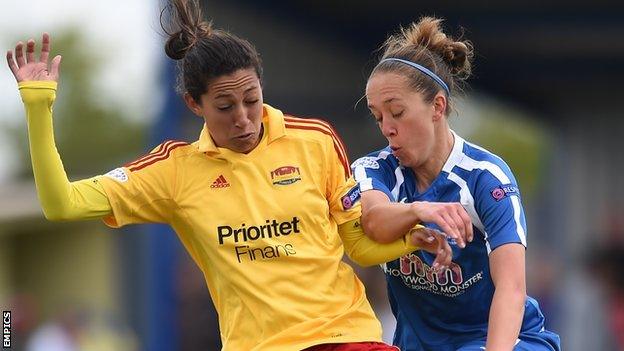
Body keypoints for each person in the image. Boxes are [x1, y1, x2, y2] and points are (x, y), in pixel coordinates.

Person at [5, 1, 465, 349]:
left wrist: (410, 235)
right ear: (194, 105)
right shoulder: (174, 171)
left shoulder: (315, 141)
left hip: (345, 336)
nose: (245, 118)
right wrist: (39, 107)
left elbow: (357, 247)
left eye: (252, 98)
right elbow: (59, 203)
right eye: (225, 107)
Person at [353, 17, 562, 351]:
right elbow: (373, 222)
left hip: (505, 341)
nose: (387, 128)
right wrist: (418, 209)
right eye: (379, 116)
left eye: (397, 112)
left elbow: (511, 288)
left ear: (437, 106)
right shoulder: (374, 169)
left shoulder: (486, 177)